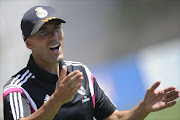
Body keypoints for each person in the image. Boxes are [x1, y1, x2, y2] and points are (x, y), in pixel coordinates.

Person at [3, 5, 179, 120]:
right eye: (43, 32)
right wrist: (56, 101)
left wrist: (144, 107)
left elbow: (115, 118)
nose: (54, 36)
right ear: (29, 44)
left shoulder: (81, 72)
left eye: (56, 28)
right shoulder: (17, 89)